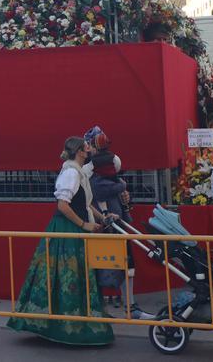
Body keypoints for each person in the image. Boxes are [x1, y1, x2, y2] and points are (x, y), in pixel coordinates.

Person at [7, 136, 114, 346]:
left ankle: (68, 321)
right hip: (68, 230)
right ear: (80, 152)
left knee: (69, 275)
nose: (90, 149)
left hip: (72, 228)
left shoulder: (77, 172)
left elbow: (84, 203)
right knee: (67, 275)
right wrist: (84, 225)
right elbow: (63, 205)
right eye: (87, 147)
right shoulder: (72, 173)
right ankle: (67, 325)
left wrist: (104, 217)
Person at [84, 128, 154, 320]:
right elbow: (92, 196)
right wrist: (120, 187)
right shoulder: (86, 173)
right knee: (99, 266)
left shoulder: (107, 171)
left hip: (117, 220)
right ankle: (99, 308)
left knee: (126, 263)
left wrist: (124, 195)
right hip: (101, 223)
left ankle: (129, 306)